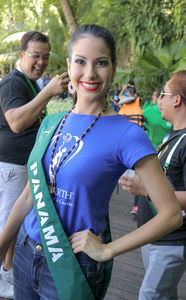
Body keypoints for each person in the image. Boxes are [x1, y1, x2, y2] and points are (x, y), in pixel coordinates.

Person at [0, 25, 182, 300]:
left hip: (73, 264)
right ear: (69, 64)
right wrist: (2, 245)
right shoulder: (50, 123)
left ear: (113, 67)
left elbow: (171, 214)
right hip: (28, 253)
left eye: (101, 63)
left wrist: (109, 249)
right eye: (80, 61)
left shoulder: (127, 133)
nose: (89, 73)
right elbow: (28, 196)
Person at [119, 70, 186, 299]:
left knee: (151, 295)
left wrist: (146, 189)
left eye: (163, 94)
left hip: (174, 238)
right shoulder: (177, 135)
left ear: (177, 100)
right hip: (158, 234)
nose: (158, 100)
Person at [0, 31, 69, 299]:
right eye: (35, 56)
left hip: (21, 166)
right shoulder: (13, 82)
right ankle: (4, 275)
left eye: (46, 57)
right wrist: (49, 92)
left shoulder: (30, 82)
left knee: (14, 224)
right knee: (8, 222)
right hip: (11, 166)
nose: (41, 62)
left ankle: (7, 273)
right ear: (21, 55)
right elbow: (16, 122)